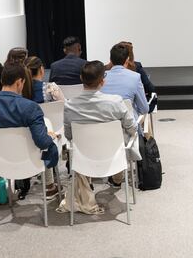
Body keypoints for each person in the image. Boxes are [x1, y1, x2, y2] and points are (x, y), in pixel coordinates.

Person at [58, 61, 137, 214]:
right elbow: (132, 127)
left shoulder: (70, 106)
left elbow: (68, 135)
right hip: (114, 157)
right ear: (103, 81)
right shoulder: (115, 102)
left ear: (81, 78)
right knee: (127, 135)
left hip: (83, 159)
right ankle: (117, 177)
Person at [0, 63, 60, 200]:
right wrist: (51, 137)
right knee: (49, 137)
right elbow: (41, 142)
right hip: (31, 163)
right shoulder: (31, 107)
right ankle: (50, 186)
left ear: (1, 81)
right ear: (19, 82)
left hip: (1, 163)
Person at [101, 42, 149, 117]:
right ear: (127, 60)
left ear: (110, 59)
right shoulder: (135, 77)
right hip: (129, 126)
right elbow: (144, 109)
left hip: (105, 125)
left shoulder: (101, 77)